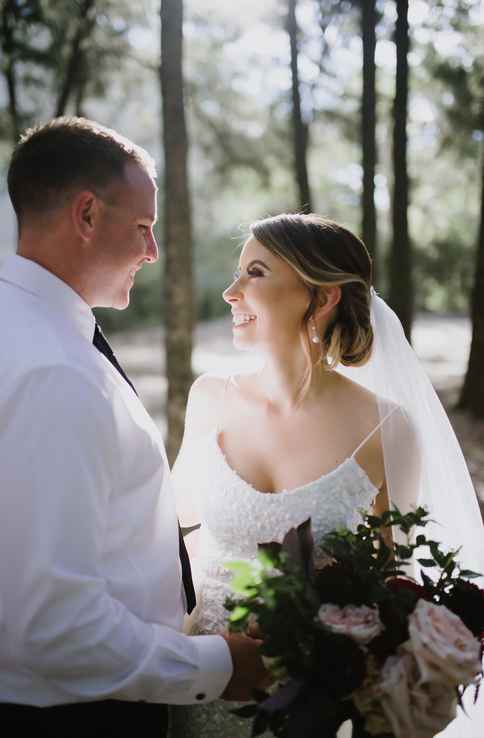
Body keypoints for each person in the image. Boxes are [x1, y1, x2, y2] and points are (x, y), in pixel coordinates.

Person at [0, 117, 268, 738]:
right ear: (87, 215)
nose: (152, 252)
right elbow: (55, 624)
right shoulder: (52, 371)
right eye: (144, 228)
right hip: (78, 715)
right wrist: (217, 664)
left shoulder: (34, 332)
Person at [169, 213, 484, 738]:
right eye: (237, 273)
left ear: (321, 297)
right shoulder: (211, 398)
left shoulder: (387, 428)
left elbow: (391, 580)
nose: (231, 292)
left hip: (315, 703)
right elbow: (167, 526)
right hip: (205, 676)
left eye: (256, 273)